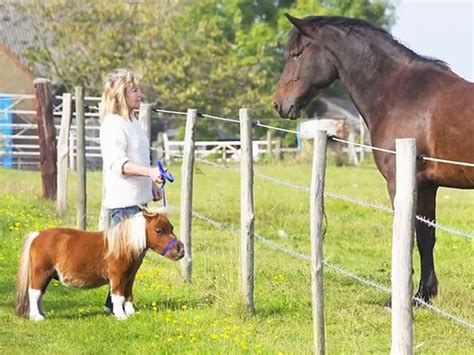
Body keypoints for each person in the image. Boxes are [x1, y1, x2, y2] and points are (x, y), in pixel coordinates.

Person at [99, 68, 162, 313]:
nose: (139, 94)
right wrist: (149, 173)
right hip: (123, 201)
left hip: (138, 200)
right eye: (134, 90)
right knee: (124, 258)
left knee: (133, 259)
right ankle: (116, 303)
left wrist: (152, 185)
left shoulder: (133, 122)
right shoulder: (113, 125)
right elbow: (119, 165)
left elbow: (138, 158)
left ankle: (116, 302)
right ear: (120, 95)